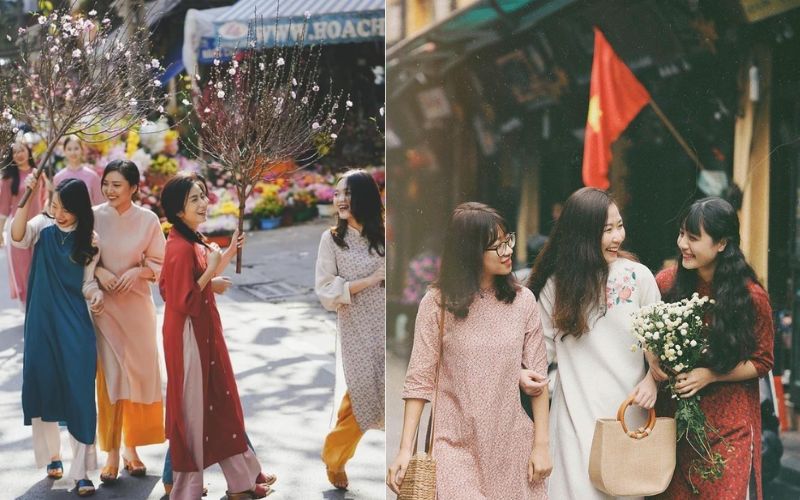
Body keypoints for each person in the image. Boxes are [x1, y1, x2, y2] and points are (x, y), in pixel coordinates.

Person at [387, 202, 551, 499]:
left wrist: (541, 445)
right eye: (496, 246)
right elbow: (419, 381)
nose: (507, 251)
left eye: (508, 241)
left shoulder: (523, 301)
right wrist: (404, 450)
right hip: (452, 443)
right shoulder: (437, 303)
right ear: (469, 251)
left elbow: (539, 381)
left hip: (510, 444)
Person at [524, 187, 660, 499]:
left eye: (620, 226)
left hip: (629, 418)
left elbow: (659, 350)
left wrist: (653, 380)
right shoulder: (556, 285)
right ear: (582, 234)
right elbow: (537, 359)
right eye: (607, 230)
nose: (618, 237)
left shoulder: (638, 278)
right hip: (573, 419)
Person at [650, 197, 774, 499]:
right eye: (681, 234)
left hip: (729, 425)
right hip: (677, 426)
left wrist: (711, 375)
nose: (683, 244)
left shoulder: (751, 297)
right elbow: (646, 333)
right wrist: (651, 358)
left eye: (693, 238)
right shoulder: (665, 284)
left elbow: (762, 361)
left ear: (721, 243)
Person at [159, 173, 272, 499]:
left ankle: (241, 482)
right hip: (189, 337)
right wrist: (211, 271)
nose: (203, 203)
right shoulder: (179, 247)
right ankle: (186, 488)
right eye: (194, 198)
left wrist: (218, 265)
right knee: (194, 411)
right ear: (178, 210)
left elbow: (189, 283)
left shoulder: (191, 238)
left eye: (203, 196)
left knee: (219, 402)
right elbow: (181, 299)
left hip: (203, 331)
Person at [11, 177, 103, 497]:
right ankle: (54, 457)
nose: (60, 213)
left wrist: (95, 295)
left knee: (79, 391)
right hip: (41, 321)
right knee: (43, 385)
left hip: (76, 322)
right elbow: (17, 236)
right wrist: (27, 198)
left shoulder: (89, 239)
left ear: (80, 208)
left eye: (67, 208)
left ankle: (81, 472)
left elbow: (88, 282)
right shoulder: (42, 225)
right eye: (56, 206)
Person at [91, 160, 166, 482]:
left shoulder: (148, 220)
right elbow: (78, 257)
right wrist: (99, 271)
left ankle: (131, 448)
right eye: (106, 183)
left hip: (137, 310)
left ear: (134, 187)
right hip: (104, 310)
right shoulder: (92, 216)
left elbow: (162, 263)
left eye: (117, 184)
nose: (109, 190)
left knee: (139, 377)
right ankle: (110, 452)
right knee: (110, 381)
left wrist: (140, 270)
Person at [315, 169, 386, 490]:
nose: (340, 199)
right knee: (361, 395)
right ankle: (335, 457)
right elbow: (325, 288)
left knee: (392, 392)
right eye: (337, 193)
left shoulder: (386, 234)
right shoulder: (332, 240)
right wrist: (369, 281)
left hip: (391, 327)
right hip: (357, 327)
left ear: (365, 197)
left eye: (348, 193)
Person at [0, 141, 48, 306]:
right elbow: (4, 209)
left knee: (40, 267)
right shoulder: (8, 179)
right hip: (17, 231)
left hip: (39, 227)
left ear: (29, 151)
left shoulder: (38, 174)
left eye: (22, 150)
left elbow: (46, 198)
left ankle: (42, 303)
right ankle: (30, 306)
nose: (19, 154)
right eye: (15, 152)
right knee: (24, 269)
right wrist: (0, 233)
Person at [54, 135, 103, 205]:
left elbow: (99, 204)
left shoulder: (93, 176)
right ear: (64, 151)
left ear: (82, 150)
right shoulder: (58, 178)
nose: (73, 152)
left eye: (76, 148)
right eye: (69, 149)